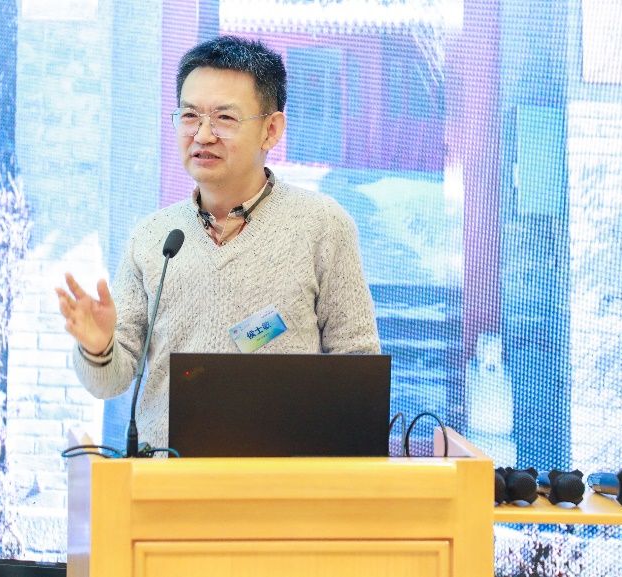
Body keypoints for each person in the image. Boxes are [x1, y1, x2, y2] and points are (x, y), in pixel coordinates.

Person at [56, 35, 380, 451]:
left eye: (224, 118)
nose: (203, 135)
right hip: (168, 477)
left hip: (283, 477)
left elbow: (357, 365)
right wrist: (98, 345)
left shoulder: (323, 226)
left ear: (271, 130)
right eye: (190, 116)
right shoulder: (154, 237)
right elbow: (110, 381)